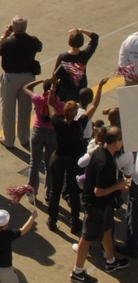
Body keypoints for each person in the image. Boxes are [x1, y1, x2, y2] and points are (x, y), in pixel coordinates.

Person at [71, 126, 132, 283]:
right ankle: (77, 271)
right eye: (121, 140)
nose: (123, 143)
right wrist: (118, 187)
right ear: (116, 142)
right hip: (96, 205)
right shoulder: (106, 163)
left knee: (107, 229)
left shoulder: (101, 152)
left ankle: (111, 261)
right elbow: (98, 192)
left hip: (103, 205)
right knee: (87, 237)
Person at [47, 83, 105, 235]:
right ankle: (74, 222)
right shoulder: (80, 124)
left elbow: (50, 103)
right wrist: (99, 88)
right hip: (73, 160)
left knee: (55, 190)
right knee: (73, 191)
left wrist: (53, 87)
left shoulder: (58, 123)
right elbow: (94, 105)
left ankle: (52, 220)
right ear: (75, 114)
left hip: (58, 158)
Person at [0, 16, 43, 150]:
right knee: (25, 109)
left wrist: (4, 35)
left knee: (8, 110)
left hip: (10, 78)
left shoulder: (8, 42)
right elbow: (40, 47)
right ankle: (24, 138)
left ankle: (8, 140)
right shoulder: (32, 40)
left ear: (13, 28)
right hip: (28, 78)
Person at [53, 28, 100, 104]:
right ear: (82, 42)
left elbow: (55, 76)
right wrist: (82, 30)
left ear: (69, 41)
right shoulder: (85, 55)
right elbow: (95, 37)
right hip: (79, 92)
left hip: (65, 92)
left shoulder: (63, 57)